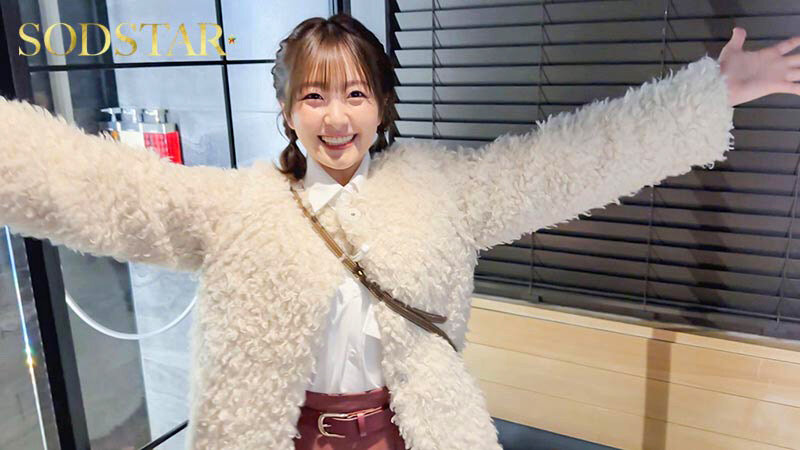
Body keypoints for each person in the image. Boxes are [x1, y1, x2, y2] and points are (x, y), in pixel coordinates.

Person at [1, 12, 799, 450]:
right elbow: (100, 186)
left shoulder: (442, 190)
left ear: (382, 104)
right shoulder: (237, 206)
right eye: (314, 96)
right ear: (287, 108)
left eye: (355, 93)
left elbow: (572, 159)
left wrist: (711, 94)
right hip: (280, 436)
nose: (336, 117)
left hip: (407, 435)